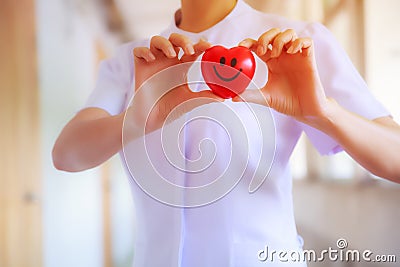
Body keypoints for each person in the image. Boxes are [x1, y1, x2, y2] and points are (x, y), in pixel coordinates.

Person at [52, 0, 400, 266]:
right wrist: (140, 117)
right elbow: (67, 154)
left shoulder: (297, 44)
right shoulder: (132, 60)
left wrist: (322, 111)